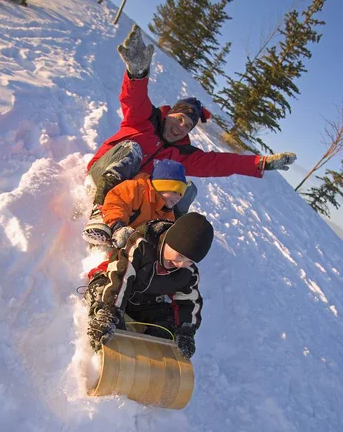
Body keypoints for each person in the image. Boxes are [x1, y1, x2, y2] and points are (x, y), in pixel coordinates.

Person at [82, 24, 297, 245]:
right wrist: (137, 73)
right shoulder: (144, 118)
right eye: (180, 119)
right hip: (101, 177)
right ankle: (100, 215)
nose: (182, 127)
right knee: (131, 150)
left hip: (128, 196)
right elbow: (134, 97)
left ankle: (156, 236)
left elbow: (221, 163)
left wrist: (260, 163)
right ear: (170, 114)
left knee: (183, 189)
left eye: (188, 126)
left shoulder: (181, 154)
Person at [85, 212, 214, 359]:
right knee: (102, 292)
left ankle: (152, 356)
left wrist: (186, 331)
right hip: (115, 285)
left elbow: (189, 301)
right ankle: (102, 327)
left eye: (190, 261)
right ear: (168, 241)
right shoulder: (141, 246)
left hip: (143, 300)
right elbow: (122, 277)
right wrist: (110, 310)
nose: (181, 264)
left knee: (169, 322)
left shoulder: (187, 272)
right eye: (179, 255)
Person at [100, 158, 188, 248]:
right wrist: (118, 226)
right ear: (161, 186)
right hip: (115, 229)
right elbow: (115, 203)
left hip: (133, 245)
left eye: (182, 193)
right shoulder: (137, 188)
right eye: (175, 191)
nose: (179, 197)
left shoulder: (167, 215)